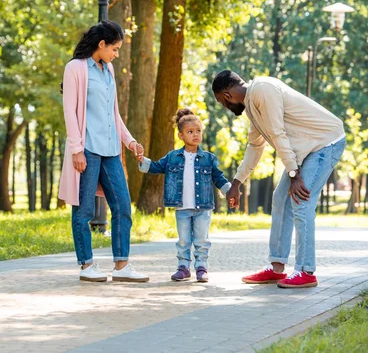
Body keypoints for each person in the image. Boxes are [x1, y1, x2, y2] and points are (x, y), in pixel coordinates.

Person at [212, 70, 345, 288]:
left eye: (221, 102)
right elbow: (255, 147)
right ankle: (276, 268)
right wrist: (236, 183)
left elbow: (278, 133)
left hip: (325, 142)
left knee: (301, 201)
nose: (224, 107)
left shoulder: (263, 90)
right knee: (281, 199)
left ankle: (306, 271)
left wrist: (294, 174)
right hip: (305, 149)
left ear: (227, 96)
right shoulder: (253, 109)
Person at [58, 20, 149, 283]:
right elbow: (70, 111)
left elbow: (113, 114)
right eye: (115, 49)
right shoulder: (75, 68)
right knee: (84, 209)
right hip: (87, 148)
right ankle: (86, 264)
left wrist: (130, 141)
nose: (116, 55)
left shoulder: (107, 69)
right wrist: (76, 150)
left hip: (110, 150)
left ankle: (122, 266)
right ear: (101, 44)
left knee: (122, 205)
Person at [138, 109, 231, 282]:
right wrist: (142, 160)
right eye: (190, 132)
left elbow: (218, 177)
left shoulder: (208, 158)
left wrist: (229, 191)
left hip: (203, 207)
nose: (195, 135)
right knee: (183, 240)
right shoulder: (173, 157)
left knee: (202, 240)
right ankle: (183, 267)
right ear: (181, 136)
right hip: (182, 207)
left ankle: (202, 268)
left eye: (198, 131)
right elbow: (157, 167)